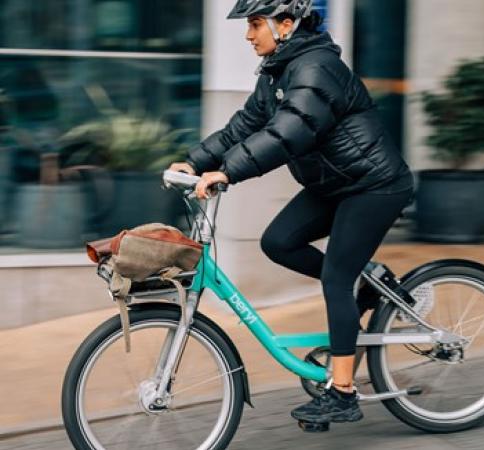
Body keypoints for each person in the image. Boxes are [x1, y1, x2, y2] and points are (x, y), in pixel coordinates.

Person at [169, 0, 414, 425]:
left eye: (255, 25)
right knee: (279, 242)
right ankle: (367, 285)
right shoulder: (277, 72)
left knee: (337, 278)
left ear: (286, 25)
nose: (249, 35)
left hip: (374, 185)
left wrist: (228, 172)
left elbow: (289, 133)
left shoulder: (316, 68)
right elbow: (244, 126)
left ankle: (343, 392)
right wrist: (194, 161)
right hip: (333, 184)